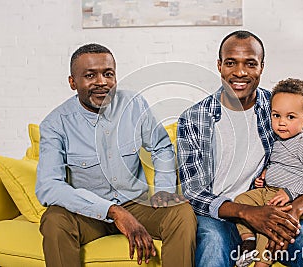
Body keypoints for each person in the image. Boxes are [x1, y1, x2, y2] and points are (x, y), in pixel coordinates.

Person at [176, 30, 303, 267]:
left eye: (250, 64)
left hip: (270, 206)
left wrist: (295, 209)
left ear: (261, 67)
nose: (240, 72)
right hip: (218, 215)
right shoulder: (193, 119)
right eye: (231, 63)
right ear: (219, 66)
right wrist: (246, 213)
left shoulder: (279, 110)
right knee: (212, 245)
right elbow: (194, 192)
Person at [35, 43, 196, 267]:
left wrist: (164, 191)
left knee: (182, 213)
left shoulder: (134, 105)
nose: (101, 82)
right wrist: (112, 211)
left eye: (108, 74)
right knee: (53, 220)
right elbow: (48, 187)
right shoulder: (56, 124)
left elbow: (161, 146)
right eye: (90, 75)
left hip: (136, 204)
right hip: (87, 213)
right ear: (73, 82)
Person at [234, 78, 303, 267]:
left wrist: (289, 192)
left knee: (268, 227)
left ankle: (262, 262)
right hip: (267, 190)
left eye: (290, 117)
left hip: (286, 198)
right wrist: (265, 175)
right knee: (240, 202)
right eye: (276, 116)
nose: (281, 123)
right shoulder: (277, 139)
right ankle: (247, 239)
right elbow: (281, 164)